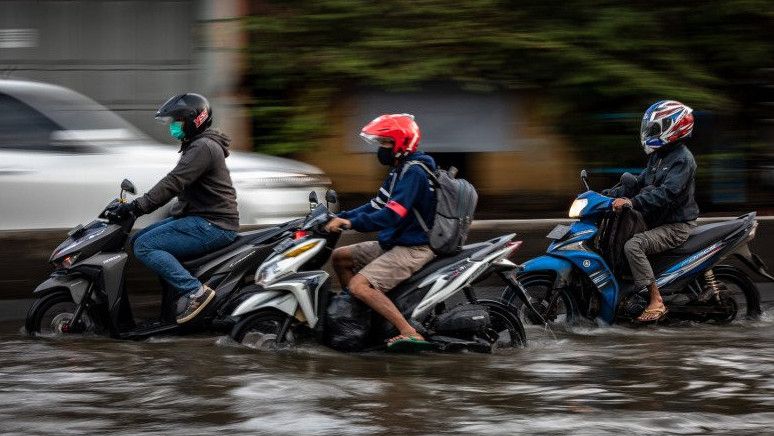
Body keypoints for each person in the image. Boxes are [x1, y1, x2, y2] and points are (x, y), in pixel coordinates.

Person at [109, 93, 240, 324]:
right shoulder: (197, 145)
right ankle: (171, 306)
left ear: (193, 121)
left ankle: (196, 293)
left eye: (176, 122)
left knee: (145, 246)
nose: (172, 127)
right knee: (138, 239)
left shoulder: (203, 147)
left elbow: (173, 183)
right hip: (201, 218)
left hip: (214, 225)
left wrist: (137, 207)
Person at [325, 113, 437, 348]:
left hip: (412, 247)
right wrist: (340, 217)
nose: (381, 149)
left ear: (401, 144)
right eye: (380, 143)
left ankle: (409, 331)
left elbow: (390, 215)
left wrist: (351, 224)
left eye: (385, 143)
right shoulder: (400, 170)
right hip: (395, 242)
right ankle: (361, 316)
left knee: (359, 285)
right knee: (341, 257)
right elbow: (375, 205)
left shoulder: (414, 172)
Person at [605, 100, 699, 322]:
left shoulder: (683, 159)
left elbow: (667, 193)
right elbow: (638, 182)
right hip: (658, 220)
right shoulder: (658, 156)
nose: (649, 133)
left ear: (673, 127)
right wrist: (606, 194)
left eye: (654, 129)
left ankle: (656, 301)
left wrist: (632, 203)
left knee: (633, 245)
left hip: (676, 225)